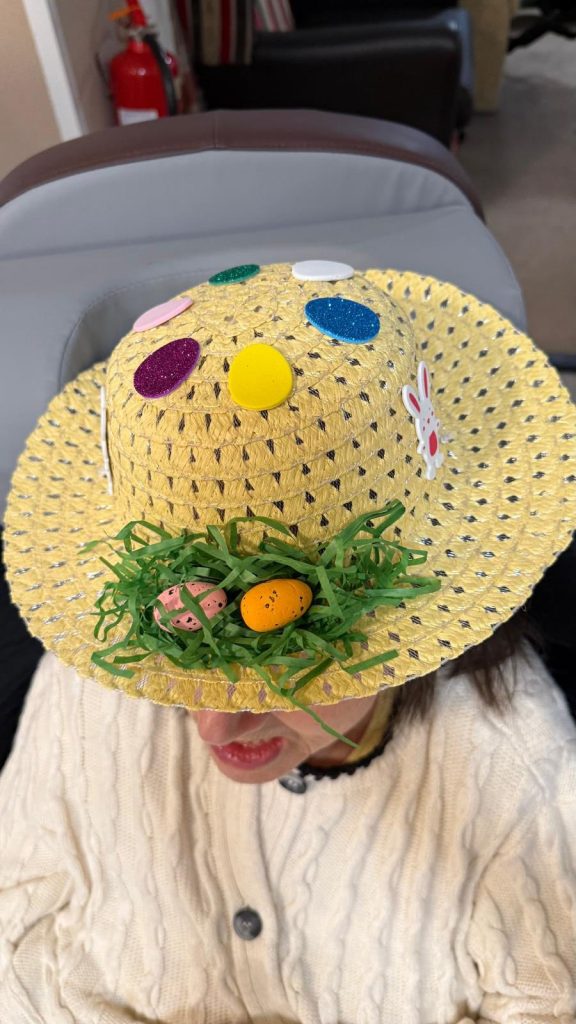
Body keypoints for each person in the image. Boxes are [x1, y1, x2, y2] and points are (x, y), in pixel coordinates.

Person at [1, 261, 575, 1023]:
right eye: (175, 677)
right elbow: (17, 918)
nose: (216, 725)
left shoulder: (516, 773)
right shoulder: (89, 672)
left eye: (292, 675)